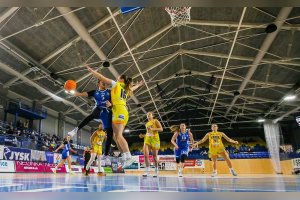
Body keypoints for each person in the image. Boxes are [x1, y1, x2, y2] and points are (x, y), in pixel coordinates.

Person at [84, 64, 144, 168]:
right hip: (122, 111)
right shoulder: (125, 89)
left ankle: (129, 156)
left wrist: (91, 70)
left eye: (119, 76)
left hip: (119, 111)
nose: (117, 77)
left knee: (119, 136)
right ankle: (125, 157)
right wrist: (138, 85)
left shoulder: (116, 84)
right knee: (116, 137)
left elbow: (101, 77)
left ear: (121, 79)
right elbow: (132, 88)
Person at [67, 79, 113, 158]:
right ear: (98, 84)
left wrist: (111, 105)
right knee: (91, 115)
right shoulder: (95, 92)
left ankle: (106, 154)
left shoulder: (110, 92)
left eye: (105, 82)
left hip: (107, 111)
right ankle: (75, 130)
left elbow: (117, 101)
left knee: (110, 131)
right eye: (103, 82)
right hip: (98, 109)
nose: (105, 83)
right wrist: (74, 93)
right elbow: (81, 94)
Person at [139, 112, 163, 177]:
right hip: (147, 139)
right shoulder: (146, 124)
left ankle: (156, 171)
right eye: (147, 115)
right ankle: (147, 171)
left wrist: (153, 129)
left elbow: (161, 129)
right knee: (145, 155)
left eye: (149, 115)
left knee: (154, 156)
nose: (148, 116)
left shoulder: (156, 121)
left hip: (155, 139)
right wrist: (143, 135)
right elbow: (148, 132)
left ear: (152, 116)